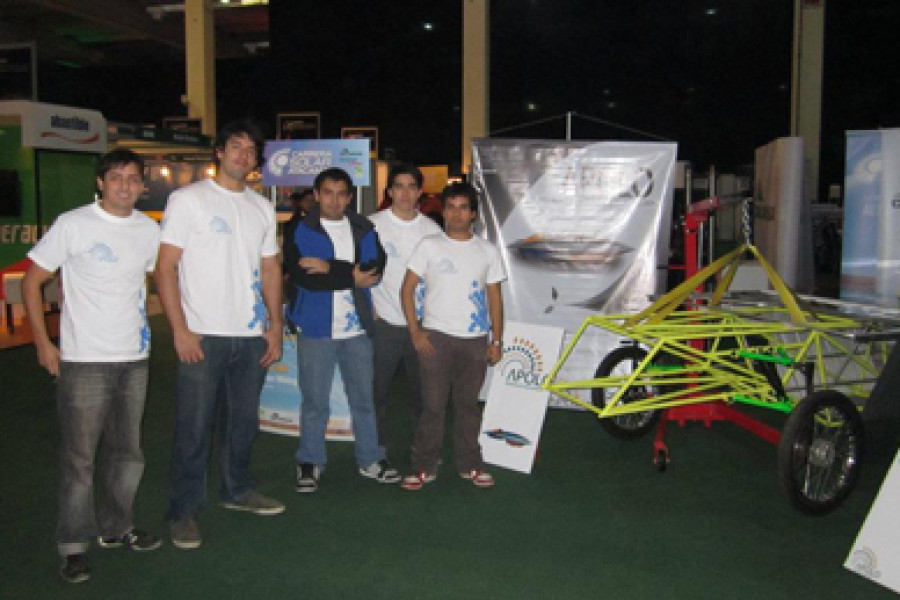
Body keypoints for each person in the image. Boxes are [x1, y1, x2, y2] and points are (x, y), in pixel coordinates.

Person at [22, 149, 162, 583]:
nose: (124, 185)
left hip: (134, 358)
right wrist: (43, 342)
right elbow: (32, 281)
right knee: (79, 458)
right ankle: (73, 544)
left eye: (133, 178)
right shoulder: (73, 224)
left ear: (142, 186)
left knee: (129, 453)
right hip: (84, 360)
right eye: (115, 177)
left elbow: (155, 280)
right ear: (100, 182)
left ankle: (117, 527)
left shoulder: (148, 230)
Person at [155, 120, 285, 550]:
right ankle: (183, 510)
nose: (243, 155)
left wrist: (274, 325)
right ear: (219, 151)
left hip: (250, 335)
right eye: (236, 146)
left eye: (251, 150)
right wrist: (180, 329)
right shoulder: (188, 199)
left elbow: (271, 268)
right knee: (194, 427)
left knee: (243, 422)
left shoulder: (261, 207)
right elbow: (166, 267)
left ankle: (237, 489)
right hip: (203, 335)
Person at [284, 167, 399, 492]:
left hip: (357, 330)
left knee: (364, 400)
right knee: (314, 402)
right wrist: (350, 275)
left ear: (349, 198)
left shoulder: (363, 228)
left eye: (341, 194)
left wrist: (330, 268)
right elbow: (305, 277)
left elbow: (374, 270)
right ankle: (310, 461)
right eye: (328, 193)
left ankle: (371, 458)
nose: (334, 201)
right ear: (316, 195)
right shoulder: (300, 229)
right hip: (315, 329)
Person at [399, 182, 505, 491]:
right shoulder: (429, 245)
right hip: (436, 339)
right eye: (451, 207)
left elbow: (495, 298)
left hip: (475, 340)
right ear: (443, 212)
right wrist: (415, 331)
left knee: (468, 406)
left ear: (473, 214)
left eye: (463, 208)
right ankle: (423, 466)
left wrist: (497, 340)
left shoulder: (487, 251)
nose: (457, 214)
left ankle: (471, 464)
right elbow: (407, 289)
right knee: (432, 407)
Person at [368, 164, 441, 459]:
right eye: (399, 186)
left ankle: (423, 449)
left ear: (420, 192)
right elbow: (355, 267)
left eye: (412, 187)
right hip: (383, 322)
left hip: (422, 324)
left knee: (424, 393)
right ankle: (374, 449)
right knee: (376, 392)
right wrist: (368, 305)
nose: (405, 193)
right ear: (389, 191)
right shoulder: (372, 225)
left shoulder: (432, 230)